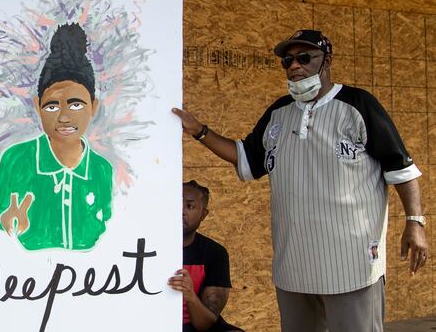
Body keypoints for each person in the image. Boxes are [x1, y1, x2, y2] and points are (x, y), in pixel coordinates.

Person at [172, 29, 428, 331]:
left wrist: (415, 222)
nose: (294, 66)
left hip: (352, 264)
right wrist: (200, 131)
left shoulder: (358, 105)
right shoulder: (278, 113)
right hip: (294, 267)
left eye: (304, 58)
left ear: (327, 61)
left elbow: (401, 168)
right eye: (288, 60)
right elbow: (245, 157)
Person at [0, 23, 113, 251]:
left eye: (76, 105)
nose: (64, 117)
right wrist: (5, 219)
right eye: (52, 106)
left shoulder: (101, 169)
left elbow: (107, 224)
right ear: (37, 106)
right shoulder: (17, 160)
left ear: (93, 107)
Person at [169, 180, 242, 332]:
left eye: (189, 206)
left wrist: (189, 295)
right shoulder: (145, 245)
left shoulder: (215, 254)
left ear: (203, 214)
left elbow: (205, 324)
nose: (181, 211)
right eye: (176, 204)